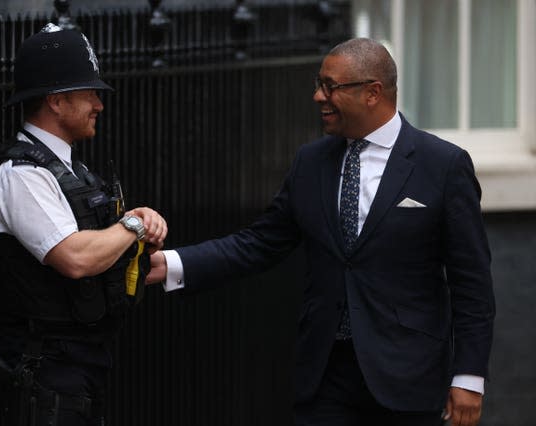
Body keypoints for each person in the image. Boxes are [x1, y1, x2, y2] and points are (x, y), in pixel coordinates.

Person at [147, 38, 494, 426]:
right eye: (319, 83)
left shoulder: (443, 165)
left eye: (330, 86)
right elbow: (260, 243)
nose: (317, 96)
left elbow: (472, 284)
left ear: (372, 93)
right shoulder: (311, 162)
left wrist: (469, 377)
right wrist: (171, 263)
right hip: (325, 376)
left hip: (407, 378)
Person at [0, 24, 167, 426]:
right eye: (90, 94)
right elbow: (75, 258)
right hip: (45, 366)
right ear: (57, 101)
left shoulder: (67, 169)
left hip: (79, 361)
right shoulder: (21, 175)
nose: (99, 104)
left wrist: (137, 244)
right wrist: (132, 223)